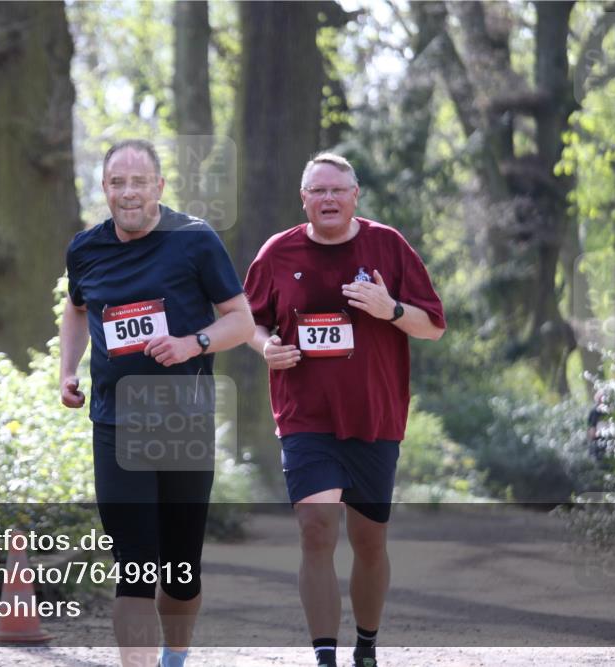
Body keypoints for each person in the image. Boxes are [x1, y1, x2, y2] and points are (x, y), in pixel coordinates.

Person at [243, 153, 445, 667]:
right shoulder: (276, 253)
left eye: (337, 190)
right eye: (317, 191)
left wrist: (392, 309)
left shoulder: (387, 246)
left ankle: (368, 646)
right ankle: (324, 656)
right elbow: (246, 321)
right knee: (317, 530)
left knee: (369, 542)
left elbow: (434, 326)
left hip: (374, 415)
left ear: (356, 195)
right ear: (303, 199)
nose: (328, 199)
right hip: (305, 416)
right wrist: (266, 347)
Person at [60, 139, 254, 667]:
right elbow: (77, 309)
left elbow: (241, 319)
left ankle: (175, 657)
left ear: (159, 186)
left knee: (181, 569)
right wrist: (66, 371)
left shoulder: (194, 240)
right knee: (135, 566)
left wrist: (194, 343)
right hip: (116, 424)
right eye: (117, 183)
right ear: (104, 189)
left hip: (182, 424)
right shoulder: (84, 248)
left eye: (138, 181)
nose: (128, 193)